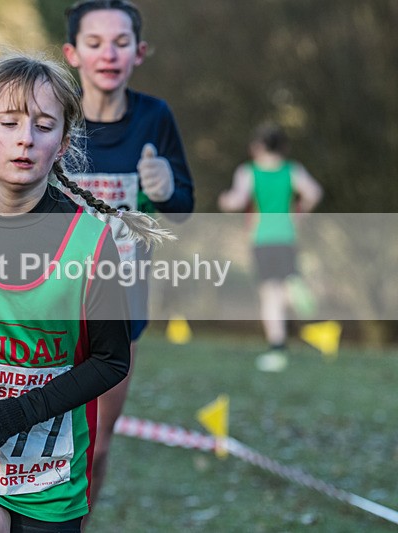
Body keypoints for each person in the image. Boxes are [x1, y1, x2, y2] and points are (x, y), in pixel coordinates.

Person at [0, 53, 170, 532]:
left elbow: (110, 361)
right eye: (10, 122)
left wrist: (17, 414)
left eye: (43, 125)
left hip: (53, 470)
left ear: (61, 144)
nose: (25, 138)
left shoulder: (91, 242)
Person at [61, 0, 195, 507]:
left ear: (139, 52)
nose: (108, 54)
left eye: (121, 43)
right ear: (73, 53)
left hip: (122, 306)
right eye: (95, 43)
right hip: (50, 302)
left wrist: (164, 189)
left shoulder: (155, 117)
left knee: (93, 449)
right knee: (36, 445)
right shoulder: (53, 113)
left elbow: (182, 207)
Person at [218, 121, 322, 371]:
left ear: (257, 147)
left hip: (262, 237)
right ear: (283, 147)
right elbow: (314, 192)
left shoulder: (248, 172)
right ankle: (293, 288)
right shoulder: (292, 170)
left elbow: (238, 199)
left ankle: (277, 350)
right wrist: (300, 213)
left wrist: (224, 201)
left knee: (269, 293)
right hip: (287, 235)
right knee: (282, 284)